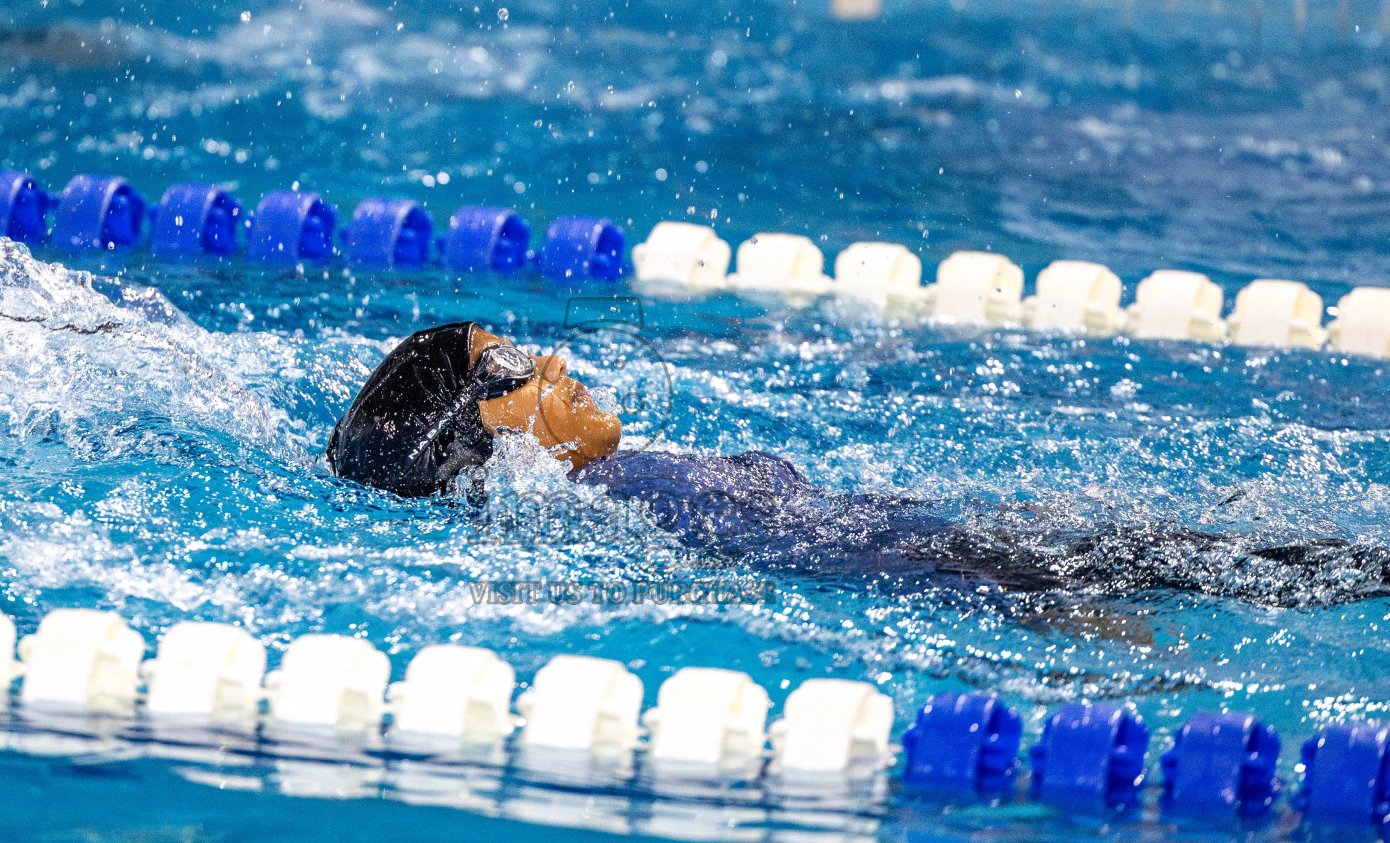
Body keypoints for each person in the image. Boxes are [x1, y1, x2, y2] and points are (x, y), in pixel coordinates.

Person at [329, 321, 1390, 610]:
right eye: (513, 368)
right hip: (950, 563)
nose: (554, 360)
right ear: (485, 433)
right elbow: (796, 559)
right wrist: (1012, 597)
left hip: (937, 536)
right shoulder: (596, 507)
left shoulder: (604, 488)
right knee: (1244, 565)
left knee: (1211, 550)